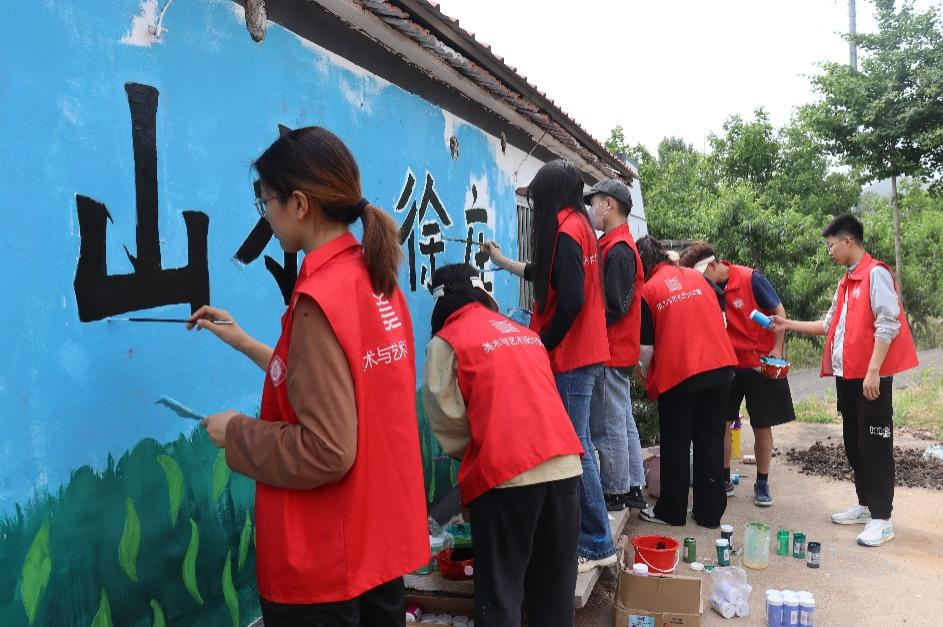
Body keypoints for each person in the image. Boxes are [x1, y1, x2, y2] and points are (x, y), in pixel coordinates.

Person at [187, 127, 428, 625]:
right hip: (374, 546)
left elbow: (327, 449)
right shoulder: (374, 277)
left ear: (299, 204)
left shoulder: (320, 298)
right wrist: (246, 341)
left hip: (326, 563)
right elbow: (341, 384)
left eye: (266, 202)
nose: (267, 216)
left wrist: (236, 434)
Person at [422, 263, 584, 627]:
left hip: (506, 479)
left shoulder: (446, 342)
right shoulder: (522, 332)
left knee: (500, 597)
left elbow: (448, 421)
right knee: (555, 597)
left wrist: (477, 459)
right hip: (565, 468)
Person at [483, 159, 616, 572]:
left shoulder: (564, 229)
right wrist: (502, 261)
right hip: (585, 352)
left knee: (575, 447)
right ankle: (591, 534)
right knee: (578, 444)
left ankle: (595, 542)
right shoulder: (579, 226)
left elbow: (571, 299)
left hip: (573, 356)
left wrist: (543, 342)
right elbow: (550, 277)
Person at [770, 213, 918, 547]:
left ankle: (883, 519)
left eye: (831, 245)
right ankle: (866, 505)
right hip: (847, 376)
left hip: (870, 378)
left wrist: (874, 370)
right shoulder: (847, 281)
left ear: (848, 241)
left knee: (875, 444)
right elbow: (828, 325)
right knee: (855, 442)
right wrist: (786, 324)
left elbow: (888, 323)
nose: (830, 251)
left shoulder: (875, 274)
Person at [679, 242, 796, 507]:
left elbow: (779, 313)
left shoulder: (751, 279)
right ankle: (722, 479)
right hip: (727, 365)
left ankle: (762, 482)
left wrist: (777, 348)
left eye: (701, 277)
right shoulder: (706, 289)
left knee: (761, 425)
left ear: (711, 265)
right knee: (721, 423)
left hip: (759, 362)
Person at [635, 237, 737, 528]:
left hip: (679, 374)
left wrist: (646, 375)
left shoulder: (649, 290)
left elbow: (646, 350)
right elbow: (719, 314)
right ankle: (709, 513)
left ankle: (671, 511)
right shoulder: (697, 277)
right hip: (719, 368)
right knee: (710, 442)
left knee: (676, 444)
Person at [583, 180, 648, 512]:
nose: (590, 209)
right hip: (619, 350)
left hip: (610, 350)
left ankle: (615, 491)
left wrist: (583, 325)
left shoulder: (619, 248)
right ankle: (633, 485)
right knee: (621, 421)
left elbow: (614, 305)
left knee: (608, 426)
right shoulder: (616, 244)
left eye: (592, 202)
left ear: (608, 204)